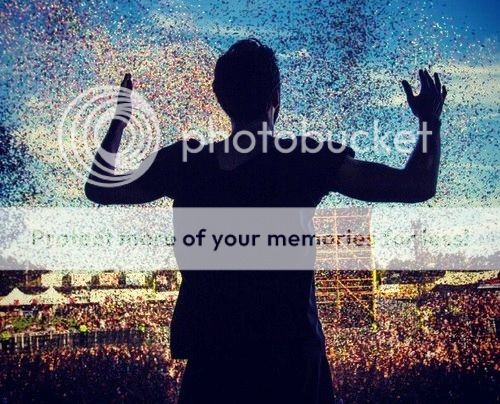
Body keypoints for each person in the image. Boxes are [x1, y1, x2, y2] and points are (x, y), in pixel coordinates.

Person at [85, 38, 447, 403]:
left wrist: (120, 120)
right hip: (292, 366)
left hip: (213, 366)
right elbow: (416, 185)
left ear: (220, 97)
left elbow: (100, 188)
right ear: (275, 97)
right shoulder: (303, 160)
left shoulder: (186, 163)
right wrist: (429, 121)